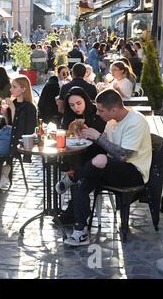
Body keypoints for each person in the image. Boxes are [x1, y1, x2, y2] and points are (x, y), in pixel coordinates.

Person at [61, 89, 151, 246]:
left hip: (133, 171)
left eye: (101, 110)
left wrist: (97, 137)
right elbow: (107, 146)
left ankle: (73, 175)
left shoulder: (136, 121)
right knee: (82, 182)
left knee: (100, 160)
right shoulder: (111, 122)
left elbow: (123, 155)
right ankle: (80, 231)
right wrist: (89, 136)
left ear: (114, 109)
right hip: (111, 168)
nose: (98, 113)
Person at [54, 86, 107, 224]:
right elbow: (65, 135)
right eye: (71, 105)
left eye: (78, 103)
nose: (76, 108)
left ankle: (73, 208)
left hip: (97, 154)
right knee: (72, 161)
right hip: (77, 154)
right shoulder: (70, 116)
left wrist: (90, 133)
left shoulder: (97, 113)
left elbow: (103, 140)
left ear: (85, 100)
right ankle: (75, 208)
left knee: (76, 170)